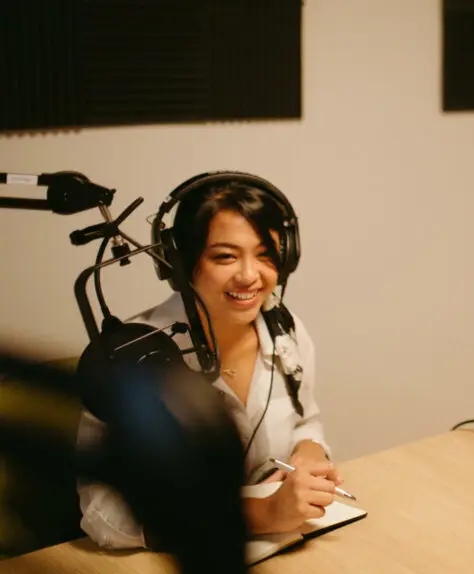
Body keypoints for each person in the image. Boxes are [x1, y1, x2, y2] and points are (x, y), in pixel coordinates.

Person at [76, 173, 340, 549]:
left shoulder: (286, 329)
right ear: (181, 262)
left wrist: (309, 450)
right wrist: (258, 515)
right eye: (225, 256)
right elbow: (103, 513)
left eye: (266, 254)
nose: (249, 276)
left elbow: (305, 419)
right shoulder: (131, 357)